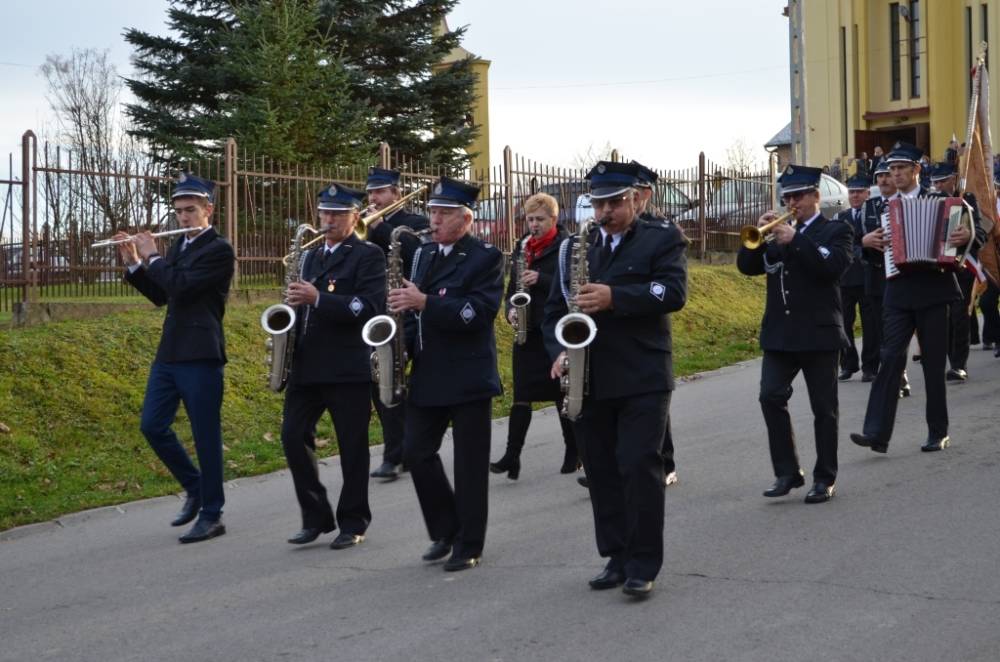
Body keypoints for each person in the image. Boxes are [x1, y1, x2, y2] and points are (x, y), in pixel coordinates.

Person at [544, 160, 687, 598]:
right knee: (602, 468)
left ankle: (643, 564)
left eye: (614, 202)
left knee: (639, 464)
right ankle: (615, 556)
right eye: (598, 203)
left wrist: (615, 297)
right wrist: (559, 351)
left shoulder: (662, 238)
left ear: (636, 199)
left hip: (643, 373)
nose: (604, 212)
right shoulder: (576, 247)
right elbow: (554, 311)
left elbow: (673, 293)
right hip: (590, 374)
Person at [387, 176, 503, 572]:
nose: (434, 220)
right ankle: (445, 529)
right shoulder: (423, 254)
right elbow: (411, 310)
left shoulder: (486, 257)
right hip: (429, 371)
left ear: (466, 219)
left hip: (469, 375)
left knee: (469, 465)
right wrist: (399, 346)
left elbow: (477, 313)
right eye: (432, 211)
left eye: (443, 213)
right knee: (415, 452)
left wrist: (426, 303)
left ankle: (469, 544)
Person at [116, 173, 235, 543]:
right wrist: (134, 263)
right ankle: (195, 487)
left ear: (208, 210)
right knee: (152, 425)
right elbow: (162, 295)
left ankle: (212, 514)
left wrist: (152, 255)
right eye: (179, 211)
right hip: (170, 353)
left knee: (205, 436)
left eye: (190, 210)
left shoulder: (219, 249)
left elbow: (181, 286)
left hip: (201, 354)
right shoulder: (181, 246)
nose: (183, 217)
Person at [736, 165, 852, 504]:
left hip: (820, 335)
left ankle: (825, 478)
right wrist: (757, 239)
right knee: (770, 396)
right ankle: (787, 472)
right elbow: (747, 268)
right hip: (781, 335)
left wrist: (797, 240)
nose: (792, 203)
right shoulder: (777, 235)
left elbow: (831, 268)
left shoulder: (837, 230)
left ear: (816, 196)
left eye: (798, 196)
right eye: (787, 197)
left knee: (824, 409)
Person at [280, 183, 385, 549]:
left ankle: (353, 521)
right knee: (292, 436)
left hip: (347, 366)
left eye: (338, 214)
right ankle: (315, 516)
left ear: (354, 217)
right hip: (307, 364)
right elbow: (301, 303)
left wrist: (319, 298)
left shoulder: (368, 255)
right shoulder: (309, 257)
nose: (329, 220)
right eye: (325, 213)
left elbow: (369, 307)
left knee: (352, 447)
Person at [851, 142, 972, 455]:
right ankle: (876, 432)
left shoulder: (942, 201)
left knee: (933, 363)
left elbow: (974, 231)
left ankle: (938, 431)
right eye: (891, 169)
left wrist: (967, 237)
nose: (895, 174)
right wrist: (867, 242)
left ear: (917, 170)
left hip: (934, 290)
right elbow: (865, 248)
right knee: (890, 357)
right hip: (897, 291)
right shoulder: (880, 208)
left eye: (901, 168)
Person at [489, 192, 578, 480]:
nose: (534, 225)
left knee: (561, 394)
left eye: (540, 219)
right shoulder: (523, 246)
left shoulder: (566, 246)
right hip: (526, 330)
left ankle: (573, 450)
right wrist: (510, 312)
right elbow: (511, 290)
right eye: (529, 219)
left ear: (554, 218)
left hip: (553, 331)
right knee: (522, 394)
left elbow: (572, 288)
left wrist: (541, 280)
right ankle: (512, 456)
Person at [363, 167, 430, 482]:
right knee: (382, 376)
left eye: (380, 192)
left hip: (412, 312)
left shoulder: (414, 223)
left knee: (414, 381)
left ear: (396, 193)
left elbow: (418, 254)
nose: (373, 198)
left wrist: (381, 227)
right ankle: (395, 453)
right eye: (370, 193)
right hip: (382, 312)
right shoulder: (363, 225)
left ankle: (411, 446)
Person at [632, 160, 680, 487]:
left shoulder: (659, 230)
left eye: (633, 193)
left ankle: (666, 462)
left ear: (646, 194)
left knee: (655, 404)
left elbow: (669, 287)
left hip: (648, 325)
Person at [928, 161, 987, 381]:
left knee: (960, 314)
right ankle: (948, 358)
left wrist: (969, 235)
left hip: (961, 264)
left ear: (954, 179)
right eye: (935, 182)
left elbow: (981, 232)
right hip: (935, 267)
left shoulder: (967, 199)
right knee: (943, 317)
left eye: (943, 181)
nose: (938, 186)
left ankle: (958, 364)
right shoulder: (928, 200)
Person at [836, 174, 875, 381]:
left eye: (860, 192)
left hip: (868, 277)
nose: (855, 196)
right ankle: (848, 364)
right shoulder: (840, 217)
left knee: (870, 325)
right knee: (844, 323)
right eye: (852, 192)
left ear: (868, 193)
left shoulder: (874, 215)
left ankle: (870, 366)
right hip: (845, 278)